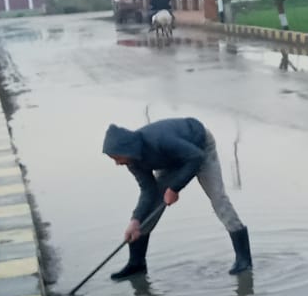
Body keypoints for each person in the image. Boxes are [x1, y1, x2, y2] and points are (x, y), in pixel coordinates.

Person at [102, 117, 252, 278]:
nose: (117, 163)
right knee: (150, 208)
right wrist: (135, 220)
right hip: (172, 158)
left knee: (218, 199)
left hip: (200, 147)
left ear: (127, 149)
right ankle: (136, 264)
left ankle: (244, 260)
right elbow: (148, 191)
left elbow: (196, 157)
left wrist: (174, 188)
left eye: (117, 158)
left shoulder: (159, 140)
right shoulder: (132, 161)